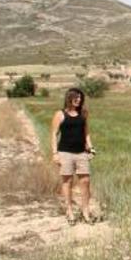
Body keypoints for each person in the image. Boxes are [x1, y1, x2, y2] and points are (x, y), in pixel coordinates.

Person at [51, 88, 96, 225]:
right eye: (76, 97)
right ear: (69, 98)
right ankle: (69, 210)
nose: (79, 100)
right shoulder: (60, 114)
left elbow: (86, 132)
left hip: (82, 153)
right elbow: (54, 134)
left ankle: (86, 210)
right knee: (67, 182)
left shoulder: (83, 113)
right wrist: (55, 153)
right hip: (65, 153)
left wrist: (91, 148)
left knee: (85, 181)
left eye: (80, 97)